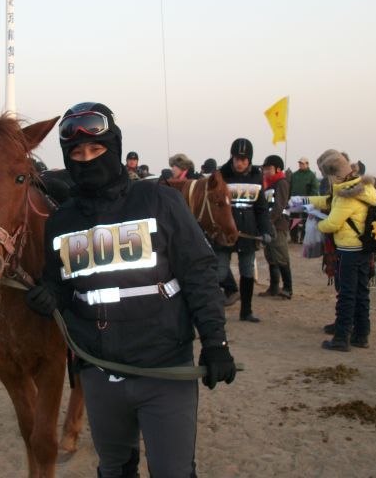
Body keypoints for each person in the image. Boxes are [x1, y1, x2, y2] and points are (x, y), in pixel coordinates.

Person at [25, 102, 235, 478]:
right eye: (76, 153)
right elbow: (59, 282)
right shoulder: (61, 221)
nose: (86, 159)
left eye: (96, 150)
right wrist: (50, 296)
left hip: (164, 370)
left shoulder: (160, 201)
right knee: (114, 470)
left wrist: (216, 343)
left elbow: (199, 273)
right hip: (98, 373)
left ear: (115, 147)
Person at [295, 150, 376, 351]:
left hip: (349, 250)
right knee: (361, 293)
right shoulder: (360, 189)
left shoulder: (346, 196)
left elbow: (332, 223)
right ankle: (361, 334)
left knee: (347, 294)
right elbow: (328, 201)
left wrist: (315, 221)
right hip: (363, 250)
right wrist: (306, 202)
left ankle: (341, 337)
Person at [215, 138, 273, 321]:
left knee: (247, 272)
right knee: (219, 272)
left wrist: (266, 230)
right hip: (224, 233)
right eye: (237, 159)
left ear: (249, 159)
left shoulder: (257, 176)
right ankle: (215, 310)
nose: (240, 163)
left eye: (244, 159)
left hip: (248, 232)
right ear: (231, 158)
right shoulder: (220, 175)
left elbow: (261, 207)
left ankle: (246, 311)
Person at [259, 155, 293, 299]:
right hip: (269, 225)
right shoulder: (267, 184)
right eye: (264, 169)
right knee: (271, 256)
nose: (265, 171)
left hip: (278, 225)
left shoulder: (281, 183)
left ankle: (287, 288)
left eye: (268, 168)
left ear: (278, 169)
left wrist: (269, 221)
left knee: (281, 256)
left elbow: (279, 206)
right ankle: (273, 287)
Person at [289, 157, 320, 243]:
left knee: (305, 220)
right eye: (300, 163)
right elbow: (290, 187)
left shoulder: (311, 175)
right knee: (293, 219)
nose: (300, 165)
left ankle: (303, 238)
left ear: (307, 164)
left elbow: (315, 188)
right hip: (294, 201)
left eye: (302, 163)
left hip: (306, 201)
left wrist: (310, 200)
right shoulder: (294, 175)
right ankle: (293, 238)